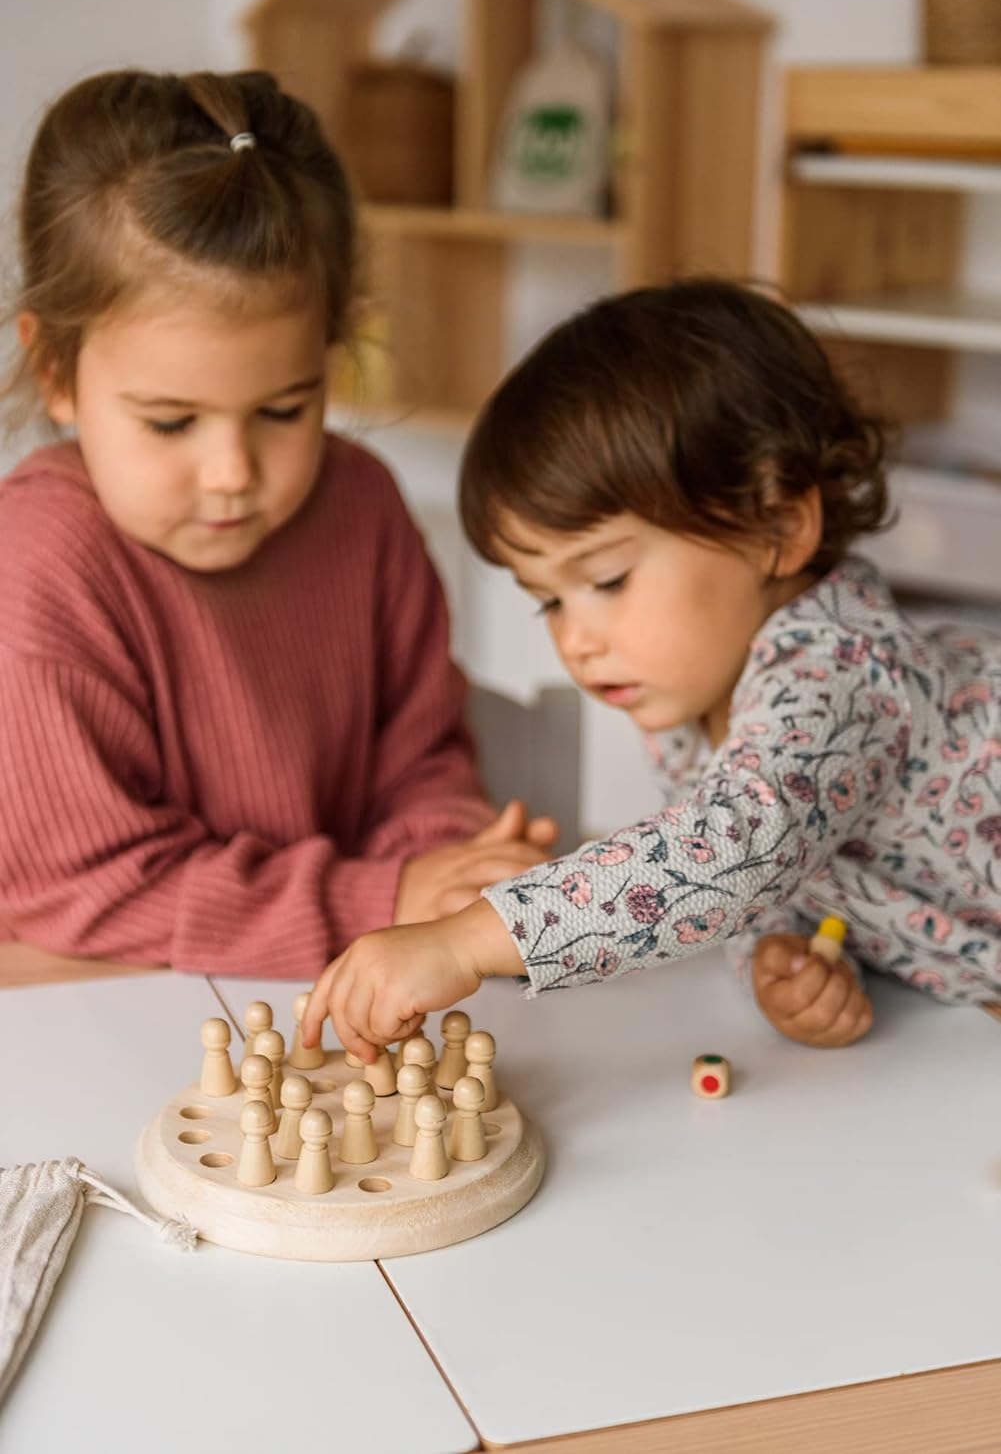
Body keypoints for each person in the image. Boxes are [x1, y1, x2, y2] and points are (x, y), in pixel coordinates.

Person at [303, 278, 1001, 1057]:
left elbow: (731, 849)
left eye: (606, 582)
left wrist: (468, 940)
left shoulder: (839, 669)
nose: (577, 641)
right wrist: (777, 954)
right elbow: (773, 880)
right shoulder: (688, 704)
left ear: (777, 526)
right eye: (549, 601)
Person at [0, 68, 556, 978]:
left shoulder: (364, 508)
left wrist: (449, 870)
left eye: (286, 409)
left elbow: (419, 760)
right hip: (77, 1023)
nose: (232, 475)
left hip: (318, 1011)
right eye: (171, 423)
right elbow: (88, 892)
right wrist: (387, 897)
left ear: (333, 353)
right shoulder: (40, 565)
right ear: (57, 373)